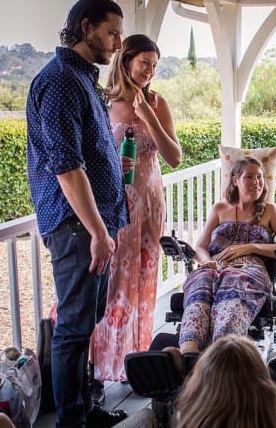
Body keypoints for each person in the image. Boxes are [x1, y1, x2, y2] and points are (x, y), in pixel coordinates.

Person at [25, 0, 129, 426]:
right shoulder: (63, 81)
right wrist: (99, 233)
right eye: (112, 33)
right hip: (77, 229)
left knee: (86, 321)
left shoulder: (83, 79)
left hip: (93, 225)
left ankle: (84, 407)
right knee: (72, 330)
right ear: (85, 27)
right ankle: (72, 421)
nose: (118, 44)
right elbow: (67, 168)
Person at [89, 34, 182, 394]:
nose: (149, 71)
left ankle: (132, 359)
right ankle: (97, 363)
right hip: (114, 202)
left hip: (150, 201)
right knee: (113, 281)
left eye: (155, 65)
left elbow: (174, 157)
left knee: (142, 278)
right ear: (126, 60)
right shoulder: (102, 100)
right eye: (145, 62)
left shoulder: (157, 102)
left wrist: (148, 116)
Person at [178, 156, 276, 354]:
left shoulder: (269, 211)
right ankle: (188, 354)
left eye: (259, 177)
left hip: (249, 270)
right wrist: (206, 261)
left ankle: (222, 354)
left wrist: (252, 247)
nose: (256, 182)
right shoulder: (220, 209)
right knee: (200, 287)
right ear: (235, 180)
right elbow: (200, 246)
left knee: (234, 285)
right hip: (215, 266)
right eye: (249, 177)